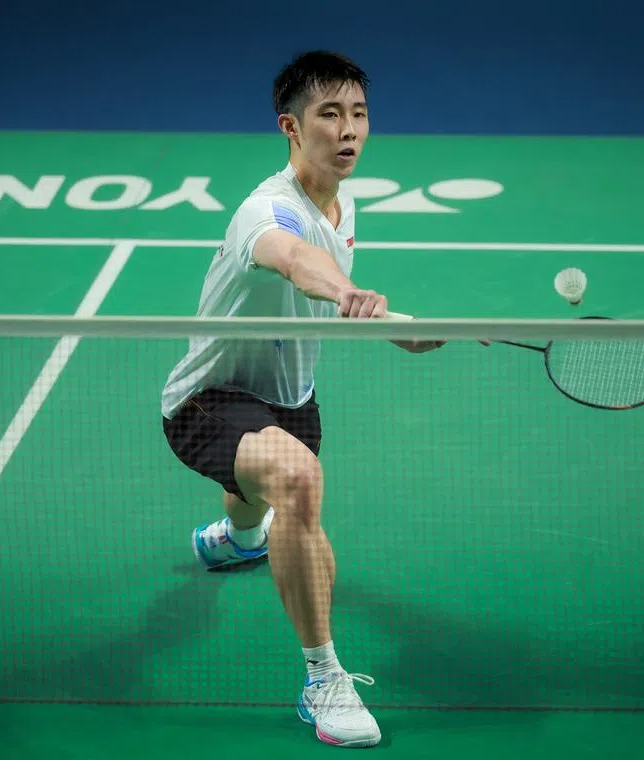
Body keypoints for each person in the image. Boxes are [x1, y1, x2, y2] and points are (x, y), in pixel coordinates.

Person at [160, 50, 443, 748]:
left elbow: (330, 286)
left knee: (261, 492)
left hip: (288, 397)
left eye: (359, 114)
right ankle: (324, 679)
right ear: (290, 126)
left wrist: (402, 327)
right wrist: (348, 292)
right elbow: (291, 258)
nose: (348, 130)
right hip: (207, 398)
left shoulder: (342, 203)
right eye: (330, 115)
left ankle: (238, 540)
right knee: (296, 479)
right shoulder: (266, 211)